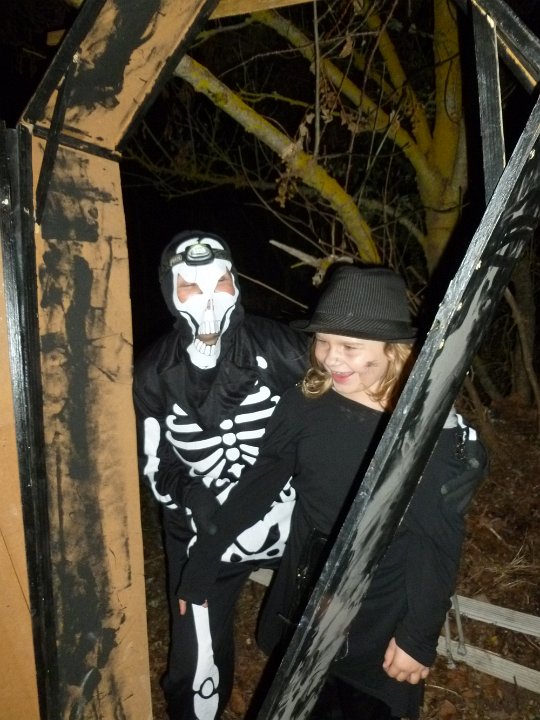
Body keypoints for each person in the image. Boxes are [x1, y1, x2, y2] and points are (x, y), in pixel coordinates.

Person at [177, 265, 487, 720]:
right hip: (307, 589)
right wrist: (204, 561)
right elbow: (257, 487)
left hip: (381, 605)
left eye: (350, 347)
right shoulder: (305, 404)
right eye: (323, 341)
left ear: (394, 350)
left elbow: (435, 542)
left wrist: (418, 636)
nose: (330, 359)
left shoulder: (423, 432)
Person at [133, 230, 309, 720]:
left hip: (290, 516)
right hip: (203, 534)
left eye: (220, 283)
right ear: (169, 291)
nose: (209, 301)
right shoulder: (152, 375)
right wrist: (193, 494)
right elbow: (155, 464)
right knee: (196, 677)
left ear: (236, 284)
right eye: (191, 286)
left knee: (334, 632)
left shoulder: (281, 347)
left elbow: (353, 395)